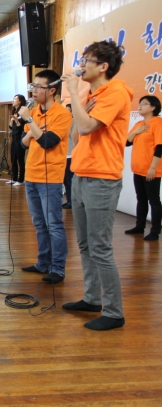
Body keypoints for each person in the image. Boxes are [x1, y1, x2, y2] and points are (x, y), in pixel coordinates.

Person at [61, 40, 132, 331]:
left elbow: (88, 126)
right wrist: (80, 107)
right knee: (85, 244)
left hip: (102, 178)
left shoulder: (115, 92)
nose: (80, 66)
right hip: (81, 174)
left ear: (103, 66)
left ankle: (114, 312)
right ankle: (92, 298)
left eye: (86, 60)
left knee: (100, 247)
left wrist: (75, 97)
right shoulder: (93, 94)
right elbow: (78, 136)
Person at [19, 70, 73, 284]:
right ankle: (43, 262)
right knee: (39, 223)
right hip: (31, 175)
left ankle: (58, 268)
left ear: (52, 90)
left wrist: (29, 122)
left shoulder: (62, 114)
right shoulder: (35, 112)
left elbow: (47, 142)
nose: (34, 90)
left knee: (54, 225)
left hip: (50, 178)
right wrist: (32, 130)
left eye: (39, 86)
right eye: (33, 86)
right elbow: (23, 143)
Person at [124, 95, 162, 241]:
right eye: (139, 103)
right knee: (141, 198)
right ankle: (140, 226)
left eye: (144, 104)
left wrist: (153, 167)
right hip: (138, 169)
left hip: (151, 170)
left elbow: (160, 147)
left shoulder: (158, 123)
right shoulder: (139, 124)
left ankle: (155, 231)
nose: (139, 106)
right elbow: (127, 142)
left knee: (154, 200)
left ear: (153, 107)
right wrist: (136, 132)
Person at [7, 94, 27, 186]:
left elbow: (21, 127)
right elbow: (11, 127)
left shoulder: (22, 112)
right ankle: (14, 178)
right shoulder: (14, 111)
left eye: (15, 99)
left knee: (20, 159)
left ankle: (21, 179)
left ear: (20, 101)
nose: (13, 100)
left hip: (20, 138)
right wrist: (12, 120)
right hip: (14, 137)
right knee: (13, 158)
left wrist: (16, 120)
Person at [62, 104, 75, 209]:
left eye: (68, 111)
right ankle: (69, 200)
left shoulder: (73, 122)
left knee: (69, 180)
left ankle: (71, 201)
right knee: (65, 180)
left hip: (70, 155)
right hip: (64, 155)